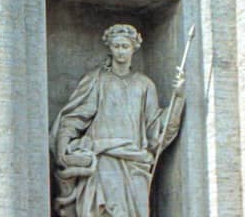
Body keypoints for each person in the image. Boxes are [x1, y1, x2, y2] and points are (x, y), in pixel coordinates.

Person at [51, 24, 185, 217]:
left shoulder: (145, 84)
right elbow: (76, 116)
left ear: (133, 49)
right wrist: (63, 144)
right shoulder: (97, 79)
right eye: (116, 46)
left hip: (135, 160)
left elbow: (155, 127)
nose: (120, 51)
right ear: (110, 48)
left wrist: (178, 98)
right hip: (104, 156)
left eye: (125, 46)